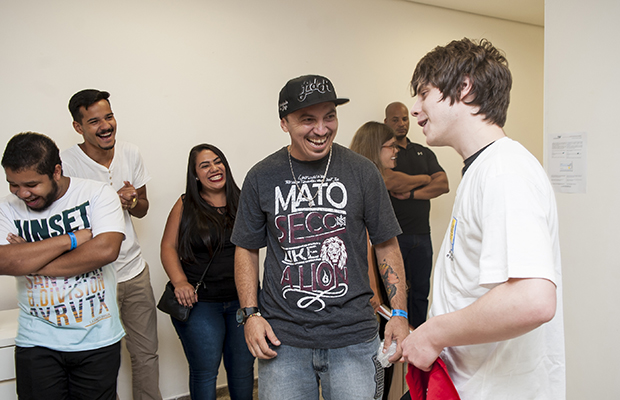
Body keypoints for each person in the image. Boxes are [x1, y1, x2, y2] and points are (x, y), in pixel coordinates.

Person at [400, 38, 565, 399]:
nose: (415, 109)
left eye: (424, 93)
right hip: (468, 383)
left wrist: (432, 333)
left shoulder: (505, 170)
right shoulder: (483, 169)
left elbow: (532, 298)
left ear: (464, 87)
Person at [231, 75, 410, 400]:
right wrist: (250, 314)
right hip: (282, 339)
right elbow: (246, 249)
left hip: (354, 337)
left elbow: (386, 243)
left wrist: (399, 312)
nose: (321, 128)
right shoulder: (262, 176)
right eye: (307, 119)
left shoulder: (362, 171)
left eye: (329, 116)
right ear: (284, 122)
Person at [0, 132, 125, 399]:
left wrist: (28, 257)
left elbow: (105, 250)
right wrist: (71, 239)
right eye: (13, 184)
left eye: (31, 184)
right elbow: (4, 261)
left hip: (97, 338)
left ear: (56, 171)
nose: (22, 193)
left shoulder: (97, 193)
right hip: (36, 341)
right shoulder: (6, 208)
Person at [62, 89, 162, 400]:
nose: (105, 126)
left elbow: (143, 207)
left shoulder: (130, 153)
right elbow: (63, 221)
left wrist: (132, 200)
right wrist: (106, 203)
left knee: (146, 355)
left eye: (109, 116)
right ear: (79, 127)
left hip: (133, 272)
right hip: (90, 278)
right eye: (94, 121)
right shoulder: (65, 162)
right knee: (97, 360)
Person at [160, 144, 255, 400]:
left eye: (218, 161)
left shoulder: (244, 199)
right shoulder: (185, 204)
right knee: (205, 372)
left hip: (242, 301)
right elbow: (168, 246)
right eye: (205, 165)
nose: (214, 168)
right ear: (195, 175)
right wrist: (179, 281)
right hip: (200, 304)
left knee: (243, 370)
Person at [383, 101, 449, 329]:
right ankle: (391, 348)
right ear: (386, 122)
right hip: (393, 237)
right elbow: (390, 181)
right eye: (395, 120)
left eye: (404, 119)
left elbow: (443, 184)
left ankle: (419, 338)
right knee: (392, 293)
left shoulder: (423, 152)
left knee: (420, 292)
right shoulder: (387, 152)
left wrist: (410, 193)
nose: (401, 124)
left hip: (422, 235)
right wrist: (424, 178)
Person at [350, 121, 401, 400]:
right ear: (374, 147)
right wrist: (374, 292)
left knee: (384, 358)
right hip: (372, 290)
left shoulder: (373, 179)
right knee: (380, 362)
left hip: (379, 285)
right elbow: (367, 241)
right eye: (390, 146)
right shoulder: (365, 181)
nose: (396, 151)